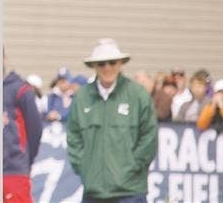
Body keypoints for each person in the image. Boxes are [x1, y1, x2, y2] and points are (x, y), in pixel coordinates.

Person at [67, 39, 158, 203]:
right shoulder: (82, 98)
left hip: (130, 191)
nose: (107, 67)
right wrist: (86, 167)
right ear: (94, 66)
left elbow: (149, 136)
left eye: (112, 62)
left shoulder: (138, 95)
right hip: (94, 192)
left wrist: (133, 166)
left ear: (120, 63)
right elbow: (73, 138)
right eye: (101, 63)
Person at [2, 54, 43, 203]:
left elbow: (35, 130)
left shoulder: (20, 89)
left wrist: (25, 158)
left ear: (3, 57)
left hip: (14, 168)